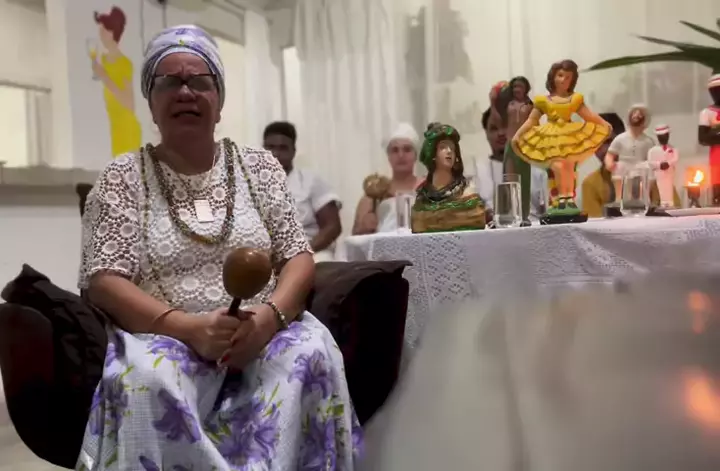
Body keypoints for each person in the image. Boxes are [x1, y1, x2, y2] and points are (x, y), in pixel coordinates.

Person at [77, 25, 361, 470]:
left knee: (309, 353)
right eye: (169, 81)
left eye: (200, 81)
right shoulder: (122, 177)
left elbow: (298, 257)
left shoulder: (260, 167)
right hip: (165, 335)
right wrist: (189, 329)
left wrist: (267, 321)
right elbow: (105, 281)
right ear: (151, 103)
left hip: (264, 327)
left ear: (220, 100)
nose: (185, 92)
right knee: (144, 379)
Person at [512, 59, 611, 216]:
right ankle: (558, 199)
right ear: (553, 77)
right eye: (560, 75)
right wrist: (518, 134)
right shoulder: (544, 100)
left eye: (568, 77)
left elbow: (589, 116)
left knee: (569, 166)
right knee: (557, 166)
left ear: (573, 80)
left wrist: (604, 123)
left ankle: (568, 198)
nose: (564, 80)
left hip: (569, 136)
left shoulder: (574, 99)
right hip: (551, 137)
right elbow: (532, 120)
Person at [263, 121, 342, 262]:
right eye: (270, 148)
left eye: (283, 148)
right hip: (265, 255)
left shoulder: (310, 181)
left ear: (293, 151)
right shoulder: (249, 183)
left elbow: (333, 226)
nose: (275, 154)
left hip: (310, 251)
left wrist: (302, 251)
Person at [411, 123, 486, 232]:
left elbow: (476, 219)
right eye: (443, 147)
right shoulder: (422, 198)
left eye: (452, 148)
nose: (449, 151)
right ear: (432, 153)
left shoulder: (468, 195)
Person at [477, 107, 547, 222]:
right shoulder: (477, 173)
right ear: (486, 133)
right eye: (494, 128)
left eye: (505, 126)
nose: (501, 133)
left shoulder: (539, 172)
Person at [352, 123, 424, 234]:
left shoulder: (429, 188)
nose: (401, 155)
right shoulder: (375, 195)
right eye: (395, 150)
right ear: (389, 156)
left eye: (407, 149)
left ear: (416, 155)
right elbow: (355, 237)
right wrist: (363, 228)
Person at [90, 6, 142, 157]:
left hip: (127, 130)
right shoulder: (103, 60)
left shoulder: (124, 64)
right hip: (115, 128)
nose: (100, 34)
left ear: (112, 32)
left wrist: (105, 77)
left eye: (103, 30)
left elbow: (129, 104)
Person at [580, 113, 626, 217]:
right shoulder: (591, 184)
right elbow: (595, 226)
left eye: (608, 141)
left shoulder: (648, 175)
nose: (603, 150)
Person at [605, 104, 654, 173]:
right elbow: (610, 154)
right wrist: (609, 163)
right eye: (634, 113)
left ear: (644, 120)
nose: (636, 115)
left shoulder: (648, 142)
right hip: (623, 173)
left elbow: (652, 158)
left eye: (640, 114)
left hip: (641, 173)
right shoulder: (620, 138)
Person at [698, 74, 720, 205]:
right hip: (717, 155)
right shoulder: (706, 113)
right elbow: (703, 138)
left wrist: (715, 132)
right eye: (716, 91)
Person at [647, 125, 680, 208]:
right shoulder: (652, 150)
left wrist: (668, 163)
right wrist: (659, 165)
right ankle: (662, 203)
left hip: (670, 173)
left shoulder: (673, 149)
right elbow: (650, 162)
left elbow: (675, 158)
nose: (664, 138)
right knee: (661, 188)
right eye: (661, 136)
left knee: (669, 188)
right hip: (659, 173)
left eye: (665, 136)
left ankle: (670, 204)